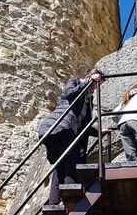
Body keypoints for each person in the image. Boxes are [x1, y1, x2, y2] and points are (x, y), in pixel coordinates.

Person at [38, 68, 104, 205]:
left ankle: (54, 202)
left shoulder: (88, 100)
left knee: (60, 165)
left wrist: (99, 132)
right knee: (77, 153)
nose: (95, 87)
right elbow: (68, 94)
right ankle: (68, 192)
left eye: (98, 85)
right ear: (87, 77)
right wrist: (87, 82)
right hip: (57, 128)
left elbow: (84, 125)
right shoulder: (74, 82)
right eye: (94, 83)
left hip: (61, 131)